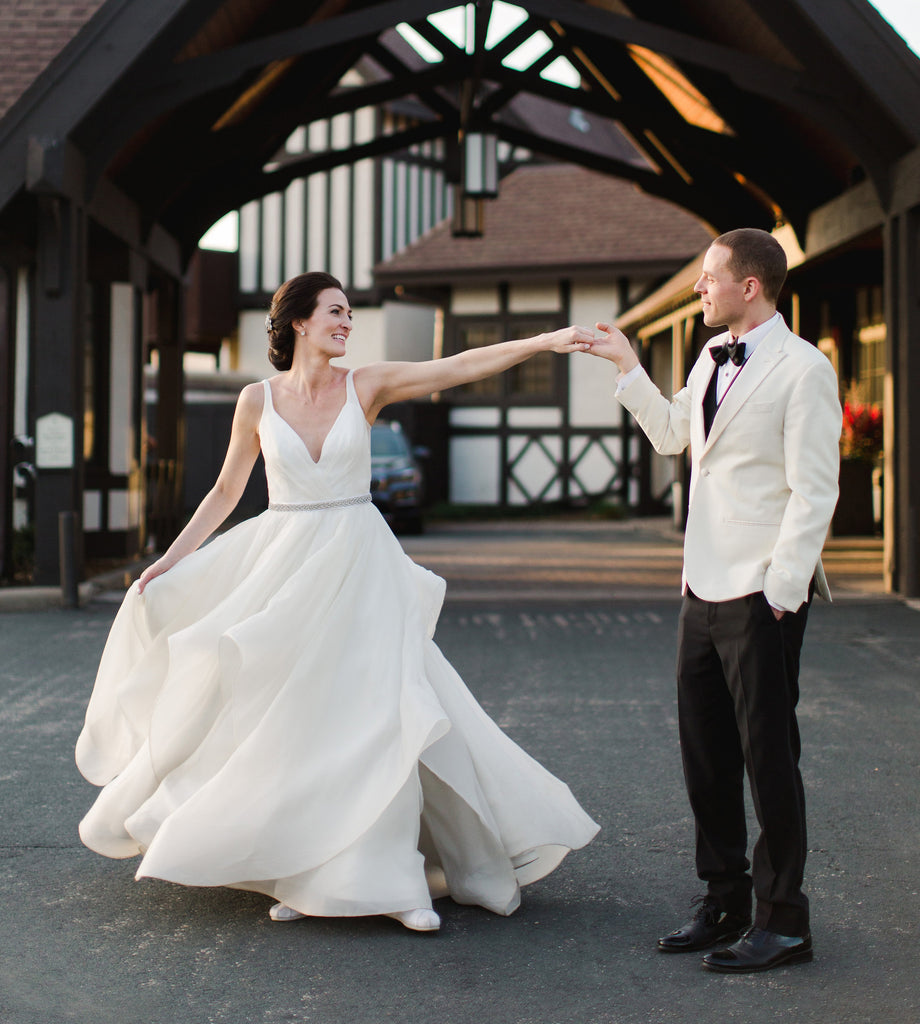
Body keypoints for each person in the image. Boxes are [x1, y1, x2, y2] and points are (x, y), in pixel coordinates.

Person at [76, 272, 599, 933]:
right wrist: (168, 561)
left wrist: (547, 341)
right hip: (287, 568)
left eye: (349, 313)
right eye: (335, 312)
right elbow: (223, 493)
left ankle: (398, 882)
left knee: (382, 711)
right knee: (298, 721)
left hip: (362, 563)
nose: (346, 322)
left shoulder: (367, 385)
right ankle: (305, 873)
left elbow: (460, 364)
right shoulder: (254, 401)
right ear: (298, 322)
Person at [586, 229, 841, 972]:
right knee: (705, 754)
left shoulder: (805, 369)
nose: (699, 289)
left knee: (769, 756)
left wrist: (783, 591)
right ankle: (724, 897)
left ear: (750, 286)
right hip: (700, 584)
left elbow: (815, 489)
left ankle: (784, 920)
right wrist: (629, 367)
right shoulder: (707, 356)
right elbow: (672, 437)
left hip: (764, 590)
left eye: (708, 279)